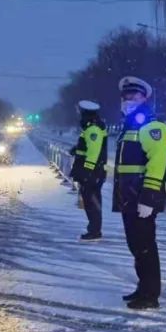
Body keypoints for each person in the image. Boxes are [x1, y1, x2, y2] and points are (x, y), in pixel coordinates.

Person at [112, 76, 166, 309]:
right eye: (126, 96)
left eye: (134, 95)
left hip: (141, 197)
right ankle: (142, 287)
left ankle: (150, 295)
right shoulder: (130, 125)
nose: (129, 100)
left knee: (145, 245)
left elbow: (157, 163)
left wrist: (149, 198)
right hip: (129, 196)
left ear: (145, 98)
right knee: (136, 245)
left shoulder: (151, 126)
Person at [69, 100, 107, 241]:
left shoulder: (93, 128)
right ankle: (94, 229)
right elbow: (87, 148)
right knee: (91, 201)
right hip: (92, 171)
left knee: (92, 202)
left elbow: (93, 152)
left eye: (79, 110)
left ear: (85, 112)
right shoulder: (90, 127)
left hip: (92, 172)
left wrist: (88, 171)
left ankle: (94, 231)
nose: (77, 112)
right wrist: (77, 150)